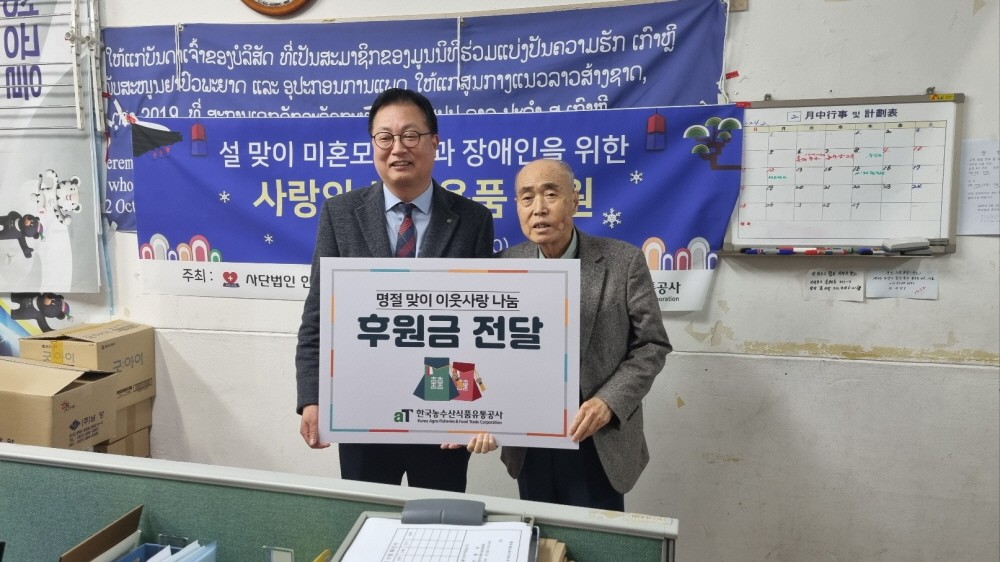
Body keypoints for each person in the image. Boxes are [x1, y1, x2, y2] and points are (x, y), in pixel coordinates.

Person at [295, 88, 495, 493]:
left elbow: (479, 325)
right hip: (361, 404)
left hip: (443, 408)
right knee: (366, 515)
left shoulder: (473, 219)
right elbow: (319, 314)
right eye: (384, 137)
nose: (397, 148)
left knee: (439, 519)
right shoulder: (339, 213)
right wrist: (312, 397)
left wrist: (476, 409)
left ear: (435, 142)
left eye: (410, 135)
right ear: (373, 145)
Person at [459, 158, 671, 510]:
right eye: (527, 197)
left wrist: (609, 402)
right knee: (539, 530)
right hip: (529, 437)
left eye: (550, 194)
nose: (539, 208)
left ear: (574, 200)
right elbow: (480, 349)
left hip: (596, 433)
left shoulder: (623, 262)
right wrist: (482, 412)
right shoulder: (501, 266)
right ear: (517, 206)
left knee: (595, 535)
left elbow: (652, 344)